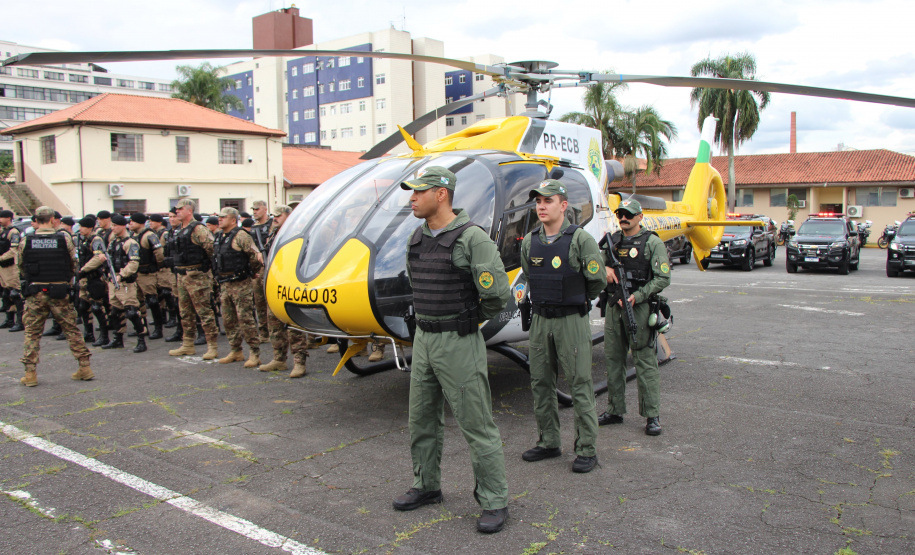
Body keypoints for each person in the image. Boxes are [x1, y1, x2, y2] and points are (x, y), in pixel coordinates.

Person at [393, 166, 511, 534]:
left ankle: (494, 501)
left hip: (458, 341)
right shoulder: (417, 237)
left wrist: (468, 321)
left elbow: (497, 295)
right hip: (424, 340)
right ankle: (427, 486)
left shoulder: (471, 238)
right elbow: (416, 283)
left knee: (476, 424)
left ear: (441, 194)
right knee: (421, 419)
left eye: (418, 191)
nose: (411, 198)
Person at [519, 180, 607, 473]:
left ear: (564, 205)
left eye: (548, 200)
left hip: (571, 320)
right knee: (540, 382)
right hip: (541, 320)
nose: (541, 206)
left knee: (579, 383)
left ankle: (586, 448)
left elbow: (596, 281)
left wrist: (576, 302)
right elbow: (529, 276)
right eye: (538, 201)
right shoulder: (530, 241)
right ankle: (548, 441)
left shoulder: (581, 240)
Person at [600, 198, 671, 436]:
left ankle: (652, 415)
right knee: (613, 359)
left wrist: (638, 296)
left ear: (640, 216)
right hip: (614, 306)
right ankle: (615, 409)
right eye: (620, 213)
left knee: (644, 361)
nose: (623, 218)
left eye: (629, 214)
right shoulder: (611, 241)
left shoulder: (652, 243)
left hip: (638, 308)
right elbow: (593, 266)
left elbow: (663, 278)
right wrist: (605, 270)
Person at [17, 206, 93, 386]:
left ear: (36, 219)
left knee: (32, 333)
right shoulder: (64, 238)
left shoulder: (26, 239)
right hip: (60, 290)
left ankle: (30, 374)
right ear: (52, 219)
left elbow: (20, 265)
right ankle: (85, 367)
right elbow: (74, 262)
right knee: (71, 329)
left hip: (35, 291)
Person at [258, 205, 309, 378]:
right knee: (274, 324)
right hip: (274, 280)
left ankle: (299, 361)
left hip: (290, 282)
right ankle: (279, 358)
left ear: (290, 216)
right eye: (274, 216)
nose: (275, 219)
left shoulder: (299, 232)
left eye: (279, 216)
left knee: (292, 323)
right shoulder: (274, 233)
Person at [167, 199, 219, 359]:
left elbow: (211, 249)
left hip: (196, 275)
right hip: (181, 275)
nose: (177, 212)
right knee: (185, 312)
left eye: (180, 209)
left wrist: (204, 268)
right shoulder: (179, 230)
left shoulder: (198, 229)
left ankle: (212, 346)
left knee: (204, 312)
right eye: (176, 210)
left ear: (189, 210)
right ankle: (187, 344)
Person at [213, 207, 263, 368]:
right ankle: (236, 350)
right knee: (228, 319)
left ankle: (254, 352)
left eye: (223, 217)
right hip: (225, 283)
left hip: (240, 283)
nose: (219, 220)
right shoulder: (220, 236)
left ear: (233, 219)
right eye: (219, 217)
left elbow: (255, 256)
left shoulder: (241, 235)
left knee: (245, 318)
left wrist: (252, 272)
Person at [103, 214, 148, 352]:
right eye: (112, 225)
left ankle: (141, 340)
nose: (113, 228)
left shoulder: (130, 243)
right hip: (113, 280)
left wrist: (122, 275)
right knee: (115, 312)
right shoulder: (113, 242)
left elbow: (133, 263)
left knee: (132, 312)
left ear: (123, 226)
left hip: (125, 282)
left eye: (115, 225)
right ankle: (118, 338)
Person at [129, 213, 166, 339]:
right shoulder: (133, 236)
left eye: (133, 221)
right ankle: (142, 328)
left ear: (140, 222)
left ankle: (158, 328)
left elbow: (159, 253)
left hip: (147, 273)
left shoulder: (149, 235)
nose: (130, 224)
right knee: (138, 302)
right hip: (136, 272)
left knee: (152, 301)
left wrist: (157, 266)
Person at [75, 217, 111, 346]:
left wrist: (84, 270)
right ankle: (88, 333)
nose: (80, 229)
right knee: (83, 306)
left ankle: (104, 335)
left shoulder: (96, 240)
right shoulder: (83, 240)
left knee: (97, 307)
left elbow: (99, 257)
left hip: (94, 277)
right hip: (85, 278)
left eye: (82, 227)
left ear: (89, 227)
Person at [149, 213, 179, 329]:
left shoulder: (165, 234)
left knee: (168, 293)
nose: (150, 223)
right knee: (161, 293)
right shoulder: (155, 234)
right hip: (159, 267)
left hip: (166, 267)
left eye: (152, 221)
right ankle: (162, 316)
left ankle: (172, 317)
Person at [250, 200, 272, 342]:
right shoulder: (253, 228)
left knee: (270, 301)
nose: (254, 212)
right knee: (259, 302)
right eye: (253, 209)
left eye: (257, 209)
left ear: (264, 209)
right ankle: (264, 332)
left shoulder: (271, 226)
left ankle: (275, 330)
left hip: (269, 266)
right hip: (257, 268)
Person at [0, 210, 24, 332]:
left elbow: (14, 250)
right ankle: (9, 320)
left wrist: (1, 258)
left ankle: (20, 322)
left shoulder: (13, 232)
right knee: (6, 294)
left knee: (16, 294)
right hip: (3, 267)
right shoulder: (3, 231)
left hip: (11, 266)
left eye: (1, 218)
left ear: (8, 218)